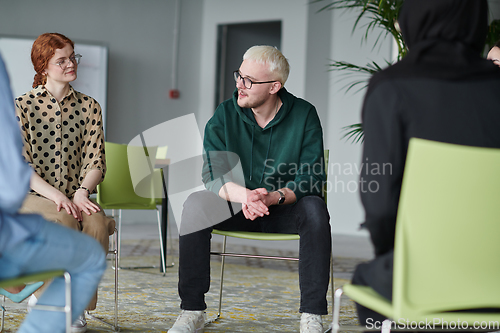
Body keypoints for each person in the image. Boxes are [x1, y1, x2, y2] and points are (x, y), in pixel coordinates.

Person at [353, 0, 500, 327]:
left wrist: (394, 258)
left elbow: (379, 205)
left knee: (366, 279)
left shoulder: (390, 88)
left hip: (422, 278)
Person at [168, 45, 331, 333]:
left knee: (315, 207)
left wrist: (273, 196)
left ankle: (312, 315)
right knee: (195, 204)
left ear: (274, 87)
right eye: (239, 76)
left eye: (249, 81)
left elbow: (311, 178)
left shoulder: (305, 114)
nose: (239, 85)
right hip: (236, 206)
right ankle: (192, 310)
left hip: (285, 208)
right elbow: (212, 172)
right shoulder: (224, 114)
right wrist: (247, 196)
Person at [13, 32, 115, 332]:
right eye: (63, 60)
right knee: (63, 220)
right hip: (34, 195)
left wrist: (83, 192)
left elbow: (96, 159)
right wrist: (57, 196)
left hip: (77, 194)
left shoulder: (89, 107)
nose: (71, 64)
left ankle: (77, 304)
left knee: (96, 223)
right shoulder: (22, 106)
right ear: (44, 66)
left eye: (73, 57)